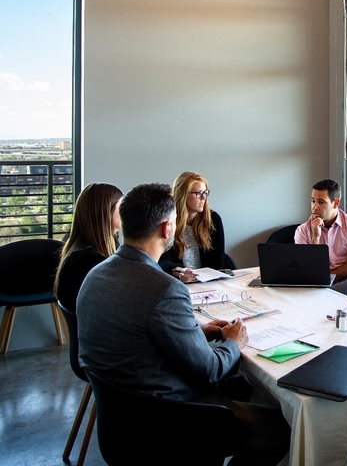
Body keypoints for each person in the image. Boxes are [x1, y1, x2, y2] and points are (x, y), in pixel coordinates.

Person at [77, 183, 289, 465]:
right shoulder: (164, 288)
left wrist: (197, 331)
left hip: (120, 421)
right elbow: (210, 370)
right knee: (281, 430)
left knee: (242, 387)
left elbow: (137, 333)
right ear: (167, 228)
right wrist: (233, 342)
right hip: (169, 420)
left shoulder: (95, 275)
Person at [294, 178, 347, 296]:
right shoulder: (302, 230)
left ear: (336, 203)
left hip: (344, 283)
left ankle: (318, 298)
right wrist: (315, 237)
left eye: (321, 202)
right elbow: (306, 269)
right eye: (313, 201)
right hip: (313, 285)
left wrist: (326, 277)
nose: (315, 207)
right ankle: (320, 298)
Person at [54, 182, 123, 313]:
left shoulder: (104, 244)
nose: (126, 212)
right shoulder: (88, 261)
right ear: (105, 212)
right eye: (121, 207)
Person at [159, 171, 234, 281]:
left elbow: (218, 261)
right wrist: (176, 271)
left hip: (209, 281)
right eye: (198, 193)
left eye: (205, 192)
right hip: (179, 282)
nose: (203, 198)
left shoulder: (213, 219)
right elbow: (162, 259)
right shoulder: (167, 222)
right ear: (183, 195)